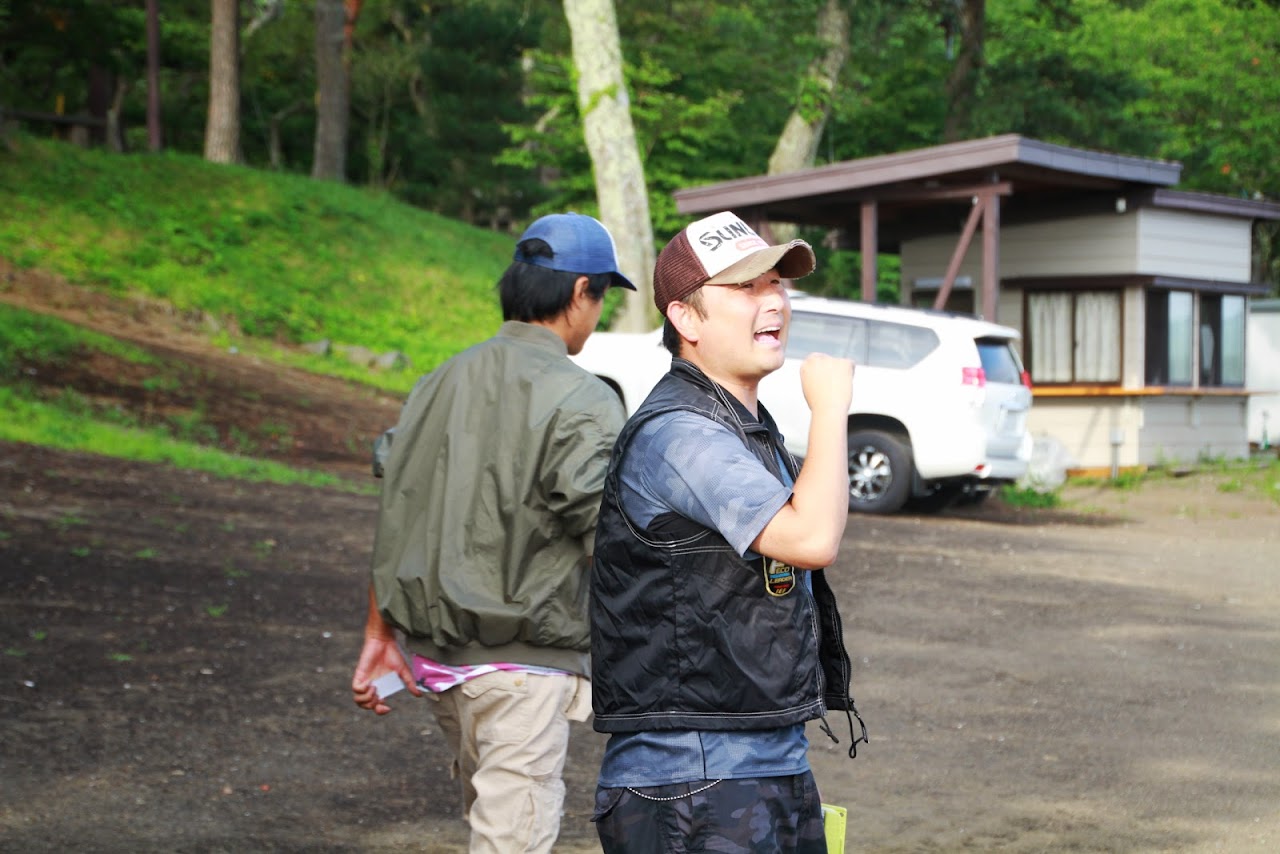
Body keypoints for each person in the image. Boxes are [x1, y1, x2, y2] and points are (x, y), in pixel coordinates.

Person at [351, 212, 635, 854]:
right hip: (523, 669)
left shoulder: (437, 382)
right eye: (602, 298)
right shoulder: (583, 398)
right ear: (580, 291)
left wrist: (379, 634)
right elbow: (612, 539)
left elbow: (400, 510)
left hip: (438, 665)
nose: (599, 314)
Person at [589, 210, 867, 853]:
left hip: (765, 763)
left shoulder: (742, 427)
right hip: (693, 782)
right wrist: (830, 409)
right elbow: (811, 539)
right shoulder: (678, 433)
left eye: (776, 283)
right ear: (685, 319)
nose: (773, 301)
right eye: (745, 287)